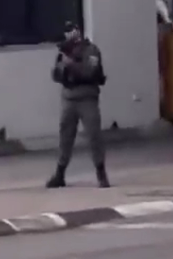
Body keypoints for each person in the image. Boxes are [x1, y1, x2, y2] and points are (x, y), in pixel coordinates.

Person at [47, 21, 110, 188]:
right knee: (65, 137)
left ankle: (101, 173)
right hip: (69, 98)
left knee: (94, 135)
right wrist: (62, 68)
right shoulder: (63, 53)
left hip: (87, 98)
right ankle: (60, 174)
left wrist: (72, 65)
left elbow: (90, 72)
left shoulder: (91, 51)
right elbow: (56, 74)